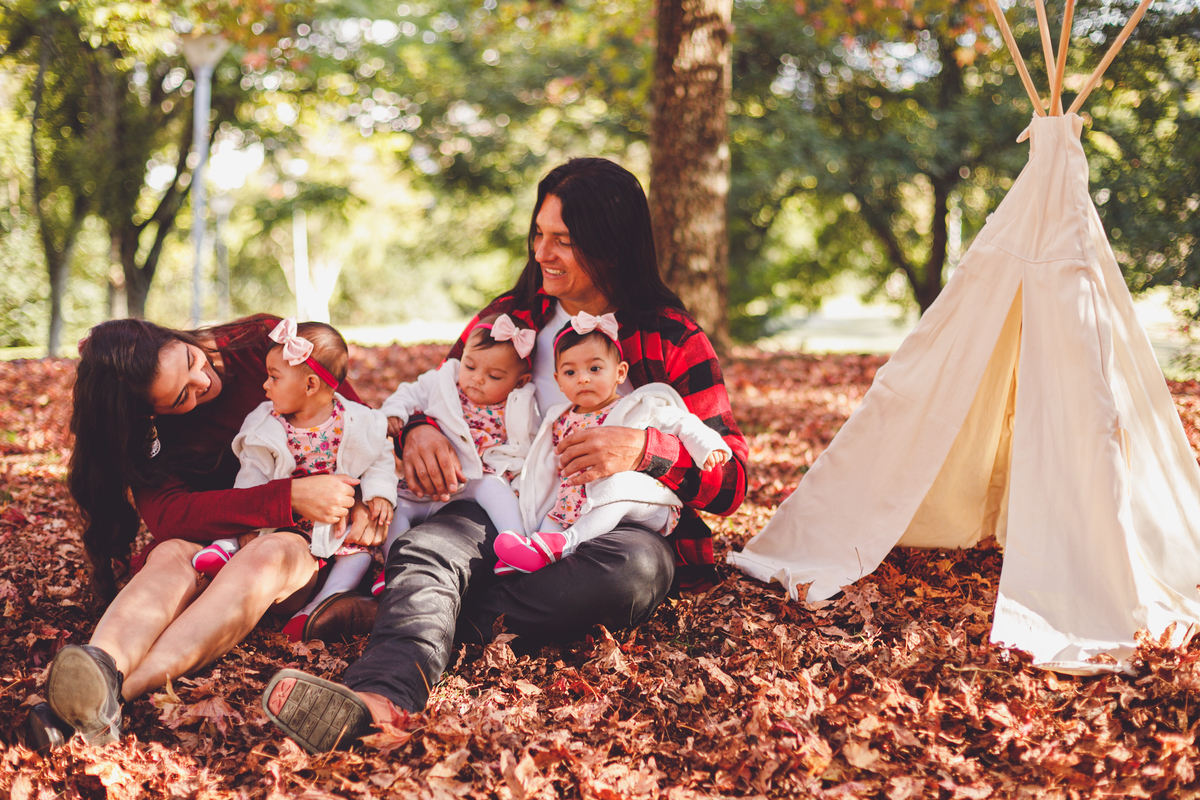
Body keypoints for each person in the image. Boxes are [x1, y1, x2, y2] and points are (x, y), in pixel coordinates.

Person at [260, 157, 748, 755]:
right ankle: (379, 697)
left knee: (635, 573)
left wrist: (644, 450)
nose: (543, 252)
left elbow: (732, 485)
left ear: (612, 244)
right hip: (497, 502)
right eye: (539, 234)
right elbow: (435, 390)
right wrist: (417, 429)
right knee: (428, 546)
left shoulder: (671, 336)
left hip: (604, 525)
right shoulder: (509, 317)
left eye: (564, 241)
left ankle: (413, 608)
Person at [24, 314, 384, 751]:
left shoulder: (265, 346)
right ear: (149, 412)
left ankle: (108, 697)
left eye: (192, 361)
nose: (203, 381)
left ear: (175, 336)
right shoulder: (142, 431)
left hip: (306, 542)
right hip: (219, 539)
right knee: (171, 551)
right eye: (181, 397)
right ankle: (101, 666)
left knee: (266, 553)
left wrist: (364, 498)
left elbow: (363, 428)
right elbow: (169, 516)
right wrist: (284, 496)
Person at [190, 318, 397, 640]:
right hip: (283, 518)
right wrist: (248, 520)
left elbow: (379, 457)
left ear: (311, 385)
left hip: (334, 524)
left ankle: (320, 606)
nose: (265, 386)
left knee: (357, 557)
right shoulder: (265, 423)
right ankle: (224, 549)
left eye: (274, 377)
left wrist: (379, 494)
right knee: (246, 527)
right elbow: (251, 471)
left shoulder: (358, 421)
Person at [494, 313, 731, 572]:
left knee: (617, 486)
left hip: (639, 497)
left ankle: (565, 543)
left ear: (620, 373)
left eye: (594, 369)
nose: (582, 378)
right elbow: (542, 465)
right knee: (553, 515)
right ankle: (529, 554)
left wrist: (706, 446)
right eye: (570, 372)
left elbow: (682, 421)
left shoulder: (637, 405)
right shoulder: (559, 418)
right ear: (559, 381)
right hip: (575, 500)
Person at [373, 313, 539, 593]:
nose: (476, 379)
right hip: (429, 479)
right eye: (470, 366)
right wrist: (393, 414)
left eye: (494, 376)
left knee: (498, 494)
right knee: (395, 510)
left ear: (520, 381)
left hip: (480, 477)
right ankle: (393, 566)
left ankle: (516, 548)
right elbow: (407, 393)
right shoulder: (444, 380)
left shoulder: (522, 402)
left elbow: (534, 445)